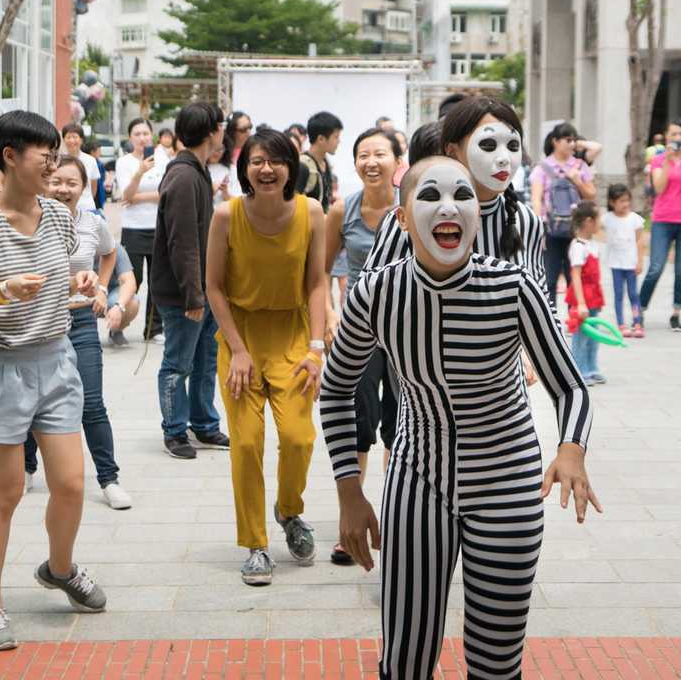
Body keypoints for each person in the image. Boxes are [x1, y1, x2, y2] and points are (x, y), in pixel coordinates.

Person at [320, 156, 600, 680]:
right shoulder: (376, 294)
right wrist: (349, 492)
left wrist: (571, 449)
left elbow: (571, 386)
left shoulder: (515, 288)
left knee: (496, 660)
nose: (448, 207)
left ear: (478, 213)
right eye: (429, 196)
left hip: (508, 482)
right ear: (402, 219)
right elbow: (335, 389)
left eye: (462, 195)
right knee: (405, 658)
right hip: (417, 479)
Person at [0, 111, 108, 650]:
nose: (54, 163)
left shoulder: (60, 217)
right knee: (7, 491)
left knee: (71, 484)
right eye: (45, 153)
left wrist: (81, 280)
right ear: (10, 156)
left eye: (57, 153)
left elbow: (62, 281)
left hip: (55, 360)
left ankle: (59, 568)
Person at [204, 127, 327, 586]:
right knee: (248, 442)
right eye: (257, 160)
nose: (267, 168)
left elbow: (317, 282)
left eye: (276, 160)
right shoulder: (225, 216)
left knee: (298, 437)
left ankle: (289, 511)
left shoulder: (311, 212)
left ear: (290, 167)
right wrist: (236, 348)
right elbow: (214, 286)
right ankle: (255, 544)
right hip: (241, 338)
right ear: (245, 169)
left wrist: (316, 347)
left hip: (293, 336)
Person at [20, 155, 129, 510]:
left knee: (92, 402)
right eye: (57, 182)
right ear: (45, 182)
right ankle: (25, 468)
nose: (63, 189)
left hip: (80, 322)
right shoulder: (29, 221)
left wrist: (101, 290)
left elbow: (109, 254)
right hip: (40, 322)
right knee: (34, 401)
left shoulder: (93, 223)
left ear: (84, 187)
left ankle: (109, 478)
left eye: (72, 183)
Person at [367, 97, 545, 292]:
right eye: (488, 145)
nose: (504, 159)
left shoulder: (526, 220)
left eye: (513, 146)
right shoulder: (409, 216)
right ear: (452, 150)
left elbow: (541, 298)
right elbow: (371, 295)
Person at [323, 128, 401, 565]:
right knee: (356, 420)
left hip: (408, 330)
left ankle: (395, 517)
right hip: (359, 330)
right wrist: (331, 316)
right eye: (363, 155)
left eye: (380, 154)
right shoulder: (343, 209)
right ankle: (349, 523)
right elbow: (320, 272)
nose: (371, 162)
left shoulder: (412, 208)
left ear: (397, 160)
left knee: (401, 422)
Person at [152, 103, 230, 460]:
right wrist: (193, 296)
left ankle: (204, 423)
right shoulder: (184, 176)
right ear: (211, 130)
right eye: (221, 126)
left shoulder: (197, 171)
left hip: (203, 288)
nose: (224, 132)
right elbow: (182, 241)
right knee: (178, 363)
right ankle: (175, 430)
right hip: (186, 292)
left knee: (205, 360)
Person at [638, 122, 681, 333]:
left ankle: (676, 313)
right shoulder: (657, 160)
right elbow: (659, 187)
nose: (677, 137)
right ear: (666, 137)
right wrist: (667, 160)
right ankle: (640, 309)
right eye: (673, 134)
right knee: (655, 267)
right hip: (663, 219)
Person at [532, 122, 596, 305]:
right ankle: (550, 321)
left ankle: (574, 320)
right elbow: (537, 199)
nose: (572, 144)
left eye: (574, 140)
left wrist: (578, 180)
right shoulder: (542, 168)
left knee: (574, 277)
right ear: (555, 141)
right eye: (568, 139)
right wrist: (539, 226)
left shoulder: (579, 165)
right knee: (550, 278)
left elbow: (591, 194)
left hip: (575, 230)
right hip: (551, 229)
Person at [114, 118, 165, 342]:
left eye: (146, 133)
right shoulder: (124, 162)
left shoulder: (163, 160)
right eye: (137, 134)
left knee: (157, 282)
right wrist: (140, 172)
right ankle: (118, 324)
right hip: (133, 229)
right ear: (130, 138)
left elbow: (166, 193)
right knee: (132, 280)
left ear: (152, 136)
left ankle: (153, 330)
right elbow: (125, 196)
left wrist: (137, 197)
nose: (142, 138)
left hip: (157, 227)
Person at [568, 200, 606, 383]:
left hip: (593, 295)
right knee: (580, 336)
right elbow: (575, 276)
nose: (600, 223)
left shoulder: (592, 244)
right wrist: (581, 303)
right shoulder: (578, 246)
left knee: (593, 336)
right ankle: (579, 370)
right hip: (581, 296)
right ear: (589, 221)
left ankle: (592, 368)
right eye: (598, 219)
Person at [602, 184, 644, 337]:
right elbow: (597, 230)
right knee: (618, 294)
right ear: (612, 202)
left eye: (627, 200)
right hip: (615, 264)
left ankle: (637, 322)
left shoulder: (635, 219)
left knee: (633, 294)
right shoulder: (607, 219)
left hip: (631, 263)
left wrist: (640, 261)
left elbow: (640, 241)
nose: (626, 204)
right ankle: (621, 323)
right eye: (621, 201)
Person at [299, 111, 342, 213]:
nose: (339, 141)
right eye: (336, 137)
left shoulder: (326, 162)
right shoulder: (303, 166)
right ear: (321, 139)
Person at [103, 245, 140, 348]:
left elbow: (129, 281)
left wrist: (119, 306)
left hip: (109, 293)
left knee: (132, 302)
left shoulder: (116, 248)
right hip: (81, 292)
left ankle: (116, 331)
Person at [60, 125, 100, 213]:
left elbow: (94, 187)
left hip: (87, 207)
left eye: (75, 137)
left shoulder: (90, 160)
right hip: (65, 209)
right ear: (63, 140)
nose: (71, 140)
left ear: (81, 140)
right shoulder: (59, 160)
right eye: (68, 137)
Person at [81, 140, 107, 211]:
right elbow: (96, 184)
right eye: (99, 151)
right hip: (95, 196)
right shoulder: (95, 164)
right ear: (92, 152)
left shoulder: (98, 162)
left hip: (98, 194)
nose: (100, 153)